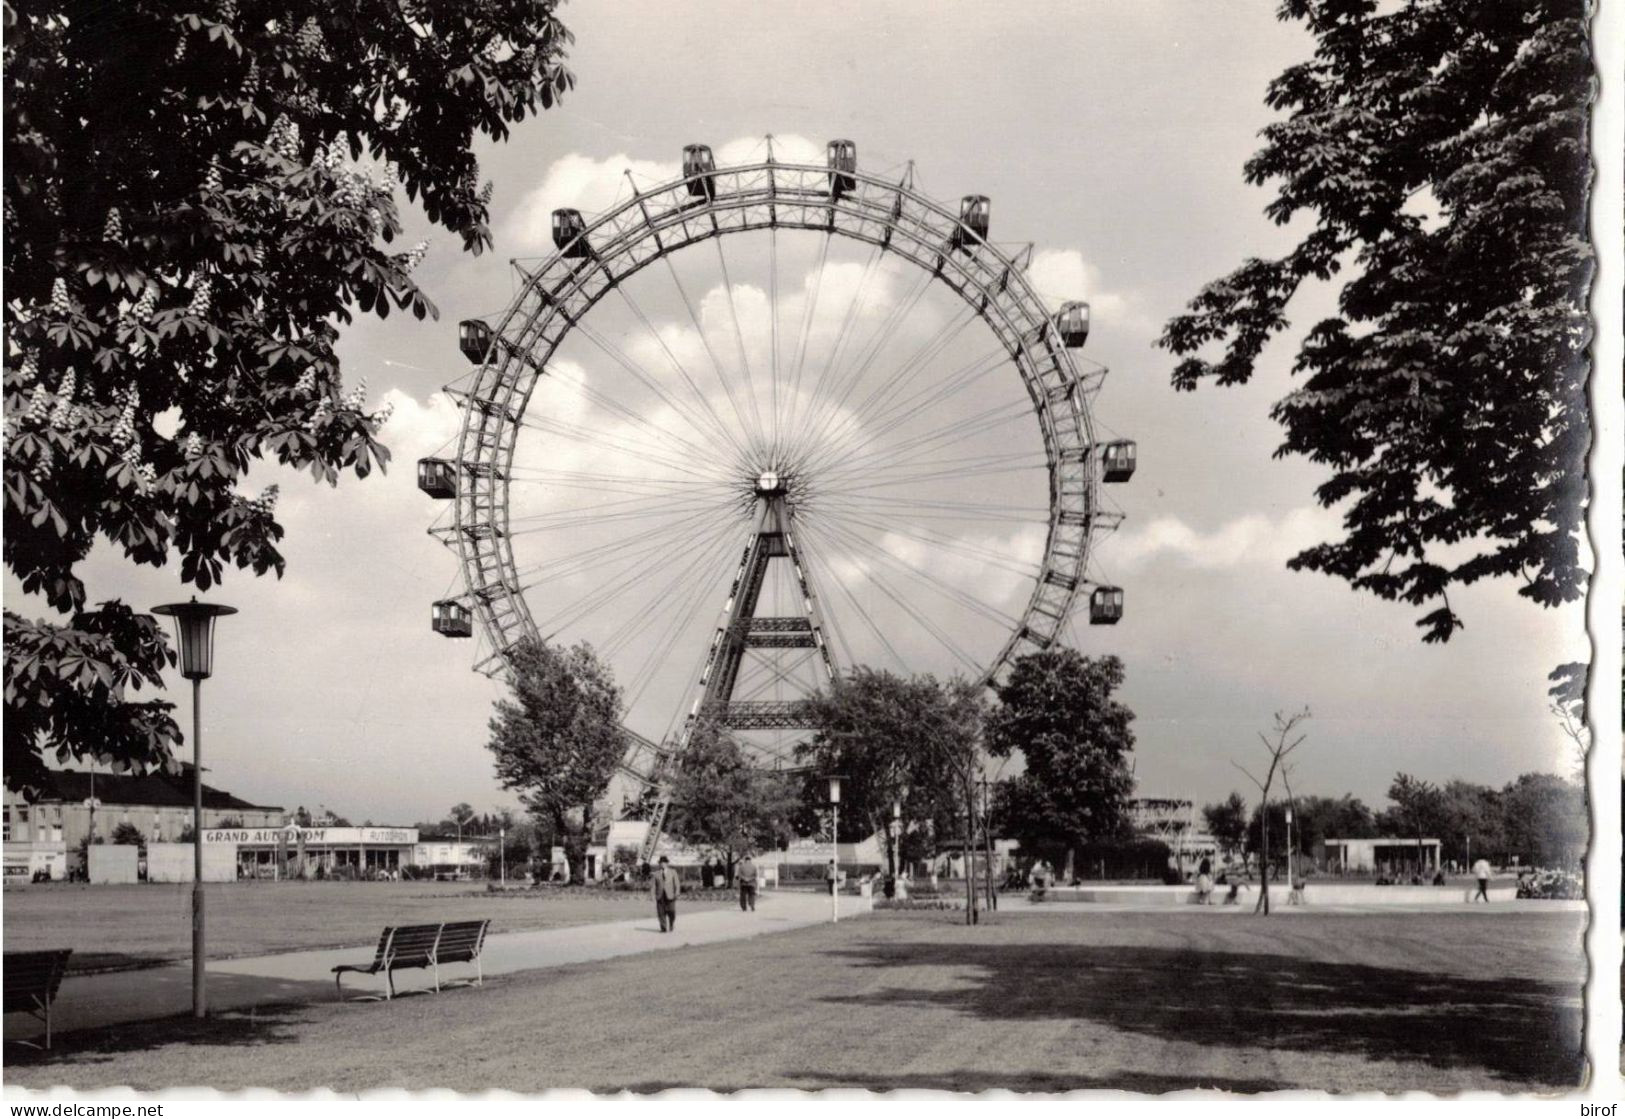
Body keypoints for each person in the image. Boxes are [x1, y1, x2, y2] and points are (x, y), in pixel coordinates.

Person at [652, 855, 681, 932]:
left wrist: (677, 892)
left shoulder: (673, 872)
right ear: (659, 864)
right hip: (660, 895)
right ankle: (663, 927)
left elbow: (677, 883)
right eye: (661, 863)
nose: (662, 864)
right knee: (661, 912)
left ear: (667, 863)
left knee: (672, 911)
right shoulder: (656, 874)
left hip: (670, 895)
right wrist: (652, 895)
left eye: (664, 863)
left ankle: (671, 924)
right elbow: (653, 885)